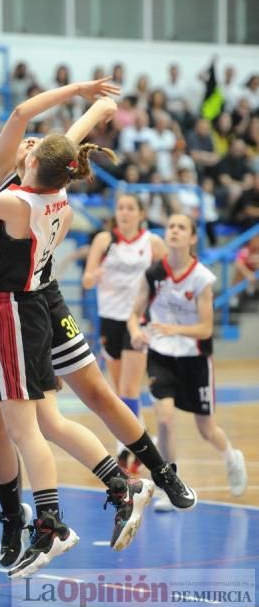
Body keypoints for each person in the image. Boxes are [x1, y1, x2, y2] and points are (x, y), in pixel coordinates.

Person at [0, 82, 197, 572]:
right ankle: (105, 492)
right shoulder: (47, 181)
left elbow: (10, 127)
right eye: (28, 141)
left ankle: (75, 511)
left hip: (19, 304)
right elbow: (51, 134)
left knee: (36, 422)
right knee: (29, 425)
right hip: (4, 297)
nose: (27, 141)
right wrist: (96, 103)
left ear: (36, 164)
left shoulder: (10, 189)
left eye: (33, 144)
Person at [127, 214, 248, 511]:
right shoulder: (154, 273)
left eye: (181, 227)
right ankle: (172, 484)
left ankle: (232, 457)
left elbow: (206, 329)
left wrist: (175, 329)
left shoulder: (201, 277)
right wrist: (135, 334)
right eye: (171, 226)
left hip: (194, 358)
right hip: (161, 356)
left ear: (193, 237)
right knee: (165, 419)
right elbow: (134, 314)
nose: (175, 231)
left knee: (206, 429)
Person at [82, 193, 167, 471]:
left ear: (141, 213)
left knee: (130, 388)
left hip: (138, 320)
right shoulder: (105, 241)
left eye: (130, 208)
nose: (125, 212)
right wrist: (92, 277)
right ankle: (143, 438)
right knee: (119, 392)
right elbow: (86, 279)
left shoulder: (152, 243)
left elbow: (169, 278)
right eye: (120, 207)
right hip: (110, 320)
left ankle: (126, 448)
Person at [229, 234, 259, 309]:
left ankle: (252, 287)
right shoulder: (245, 250)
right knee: (239, 272)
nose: (256, 243)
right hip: (248, 277)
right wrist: (248, 274)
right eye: (254, 240)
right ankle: (235, 295)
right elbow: (238, 263)